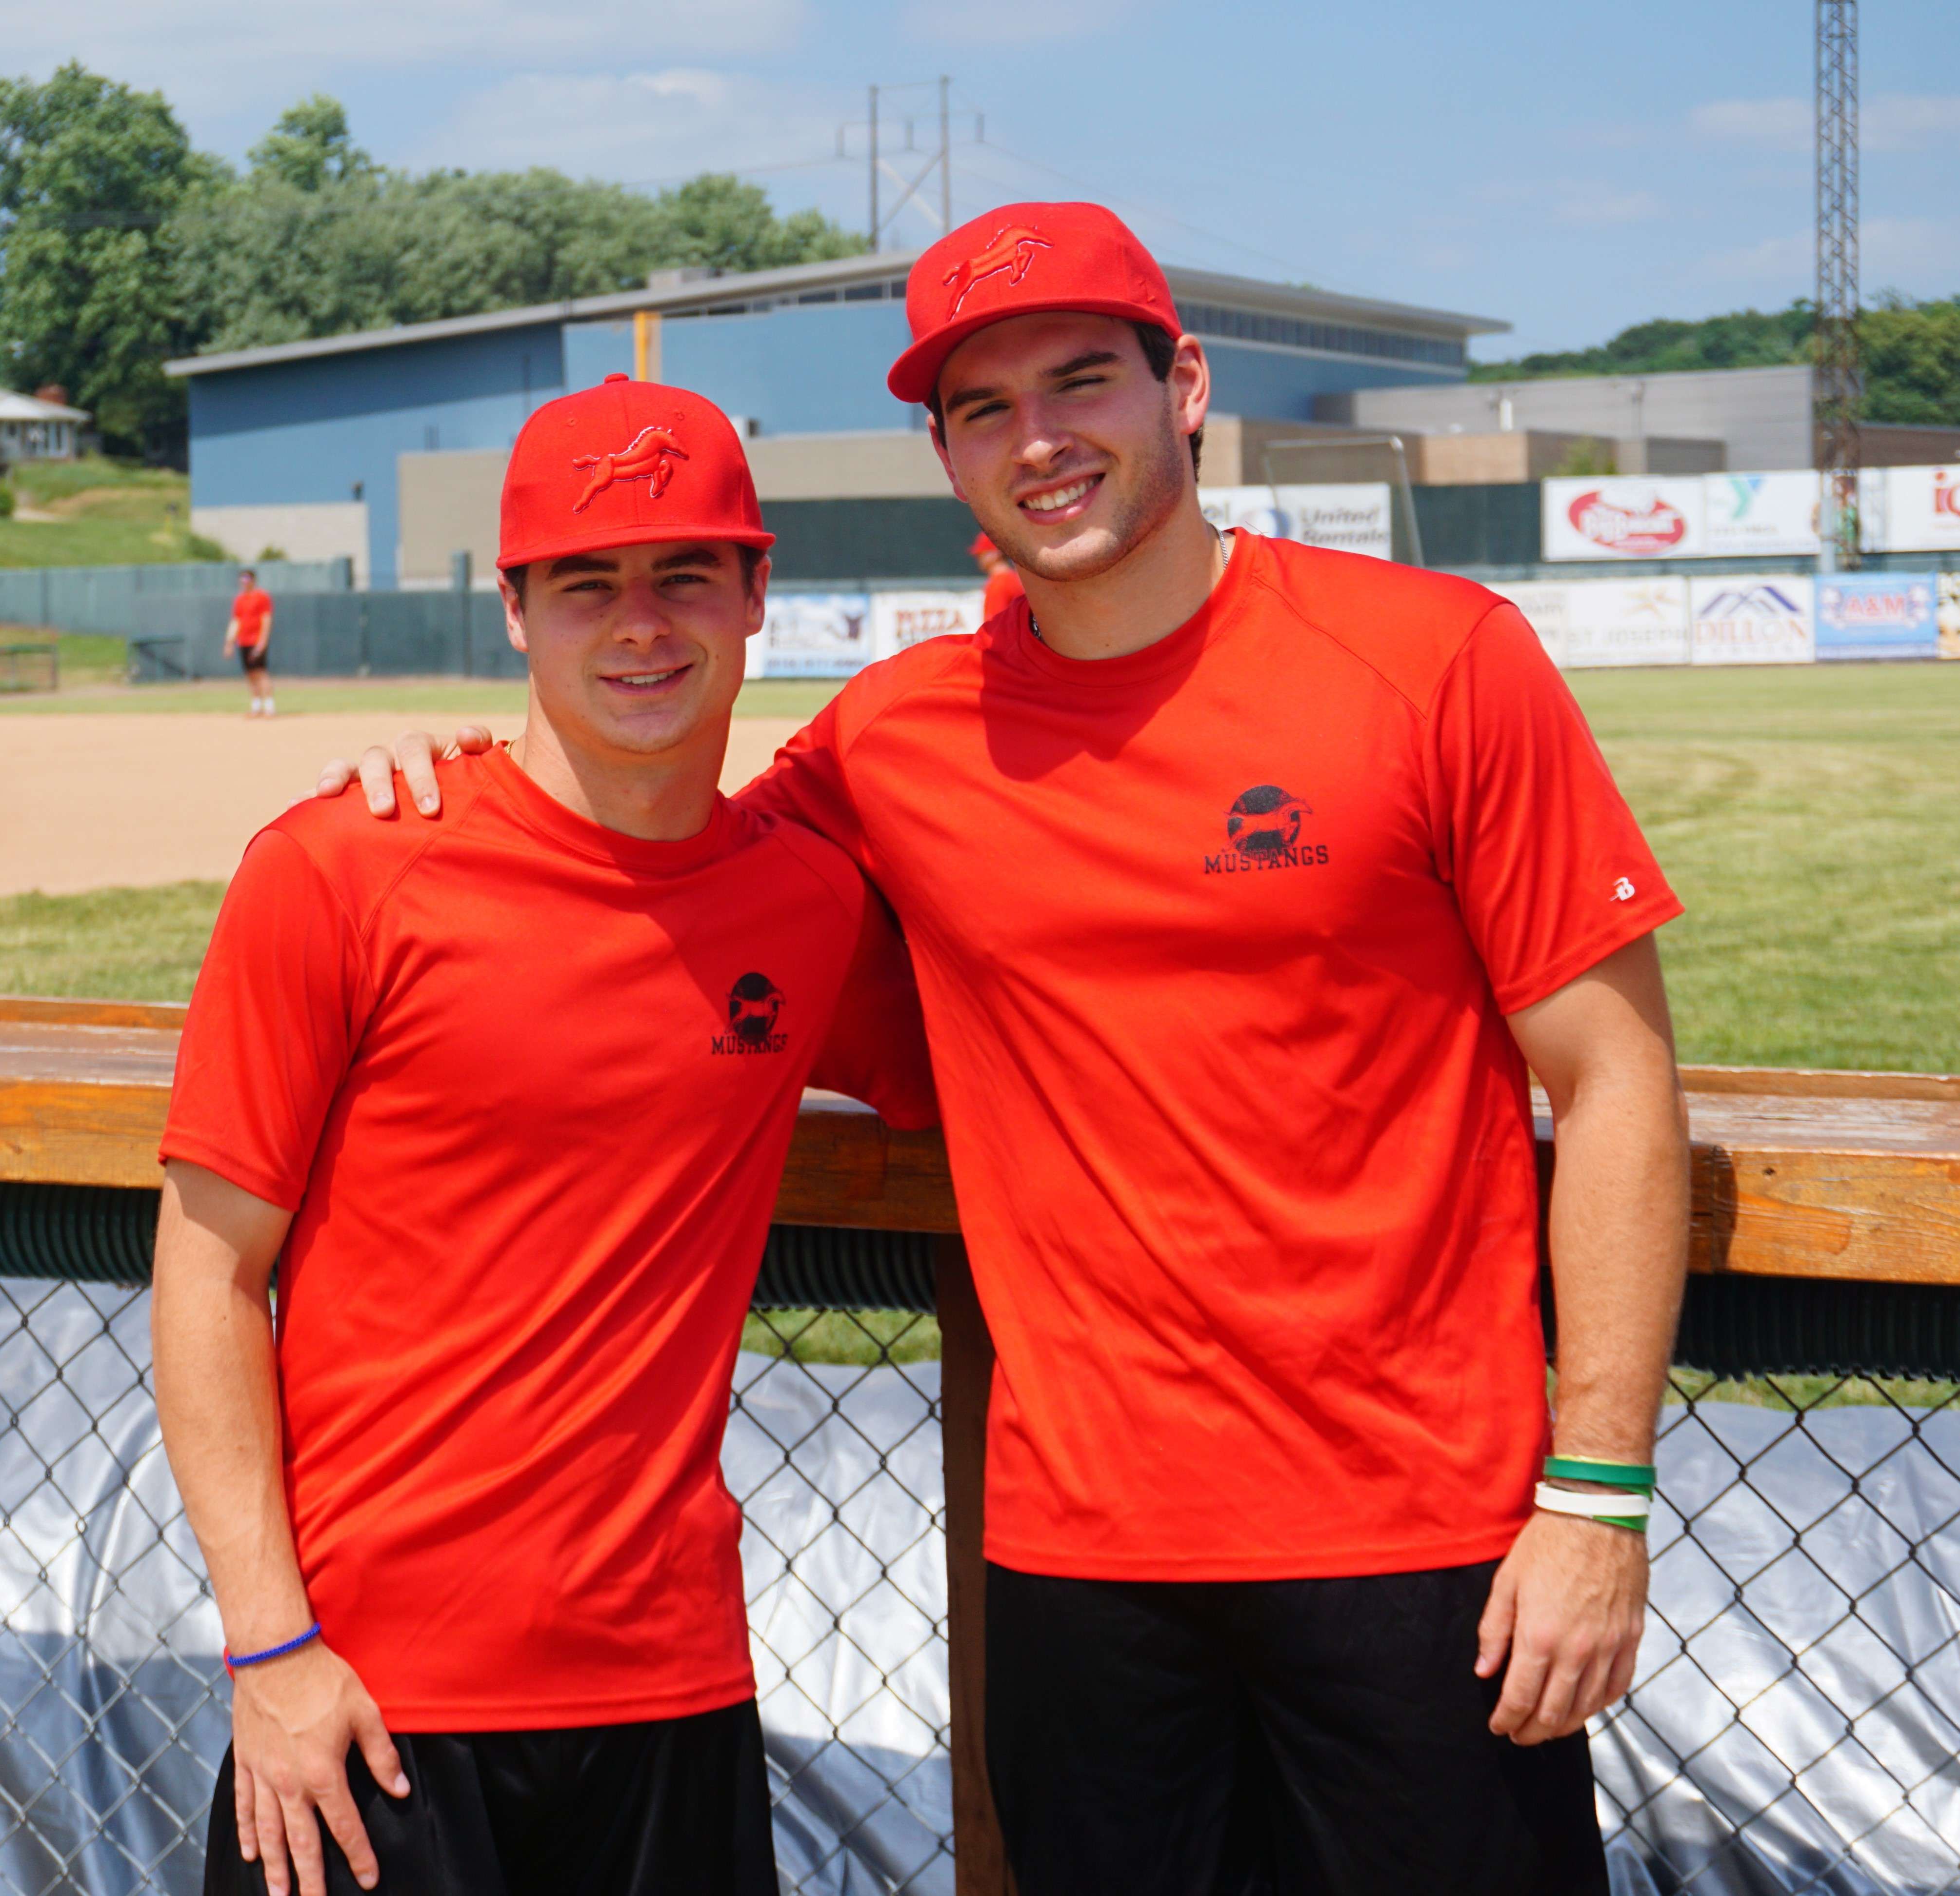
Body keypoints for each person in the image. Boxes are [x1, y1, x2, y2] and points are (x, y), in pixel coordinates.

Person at [324, 202, 1690, 1896]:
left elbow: (1615, 1073)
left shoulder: (1435, 661)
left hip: (1426, 1544)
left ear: (1181, 383)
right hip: (1079, 1565)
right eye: (985, 407)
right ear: (944, 451)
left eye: (1080, 381)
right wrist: (455, 775)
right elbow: (656, 854)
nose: (1040, 439)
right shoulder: (899, 736)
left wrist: (1600, 1493)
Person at [154, 374, 934, 1896]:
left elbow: (1015, 1039)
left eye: (683, 575)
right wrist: (270, 1644)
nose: (640, 624)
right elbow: (203, 1275)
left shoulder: (807, 899)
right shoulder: (340, 867)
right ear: (516, 610)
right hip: (366, 1701)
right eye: (587, 585)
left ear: (756, 590)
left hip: (669, 1686)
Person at [223, 569, 276, 717]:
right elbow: (236, 621)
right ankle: (257, 706)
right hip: (244, 641)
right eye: (242, 580)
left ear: (253, 581)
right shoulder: (240, 600)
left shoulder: (262, 597)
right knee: (250, 674)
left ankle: (269, 706)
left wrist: (263, 640)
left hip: (256, 641)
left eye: (247, 580)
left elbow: (266, 619)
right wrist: (229, 642)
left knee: (260, 672)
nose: (244, 583)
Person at [969, 531, 1024, 623]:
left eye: (982, 553)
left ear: (996, 553)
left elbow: (994, 624)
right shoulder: (1014, 578)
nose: (978, 558)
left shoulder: (1000, 582)